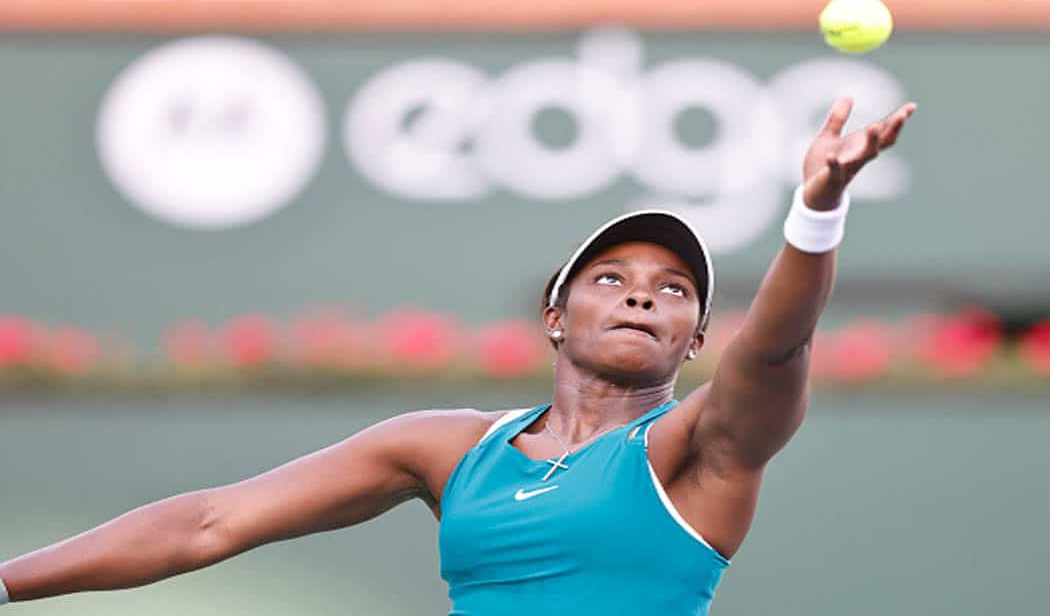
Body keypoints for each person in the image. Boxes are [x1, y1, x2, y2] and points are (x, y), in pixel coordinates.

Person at [0, 98, 916, 614]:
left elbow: (777, 347)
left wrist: (819, 208)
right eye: (611, 276)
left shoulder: (699, 448)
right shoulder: (448, 448)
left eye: (676, 290)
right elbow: (210, 522)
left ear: (696, 339)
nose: (644, 293)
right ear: (554, 317)